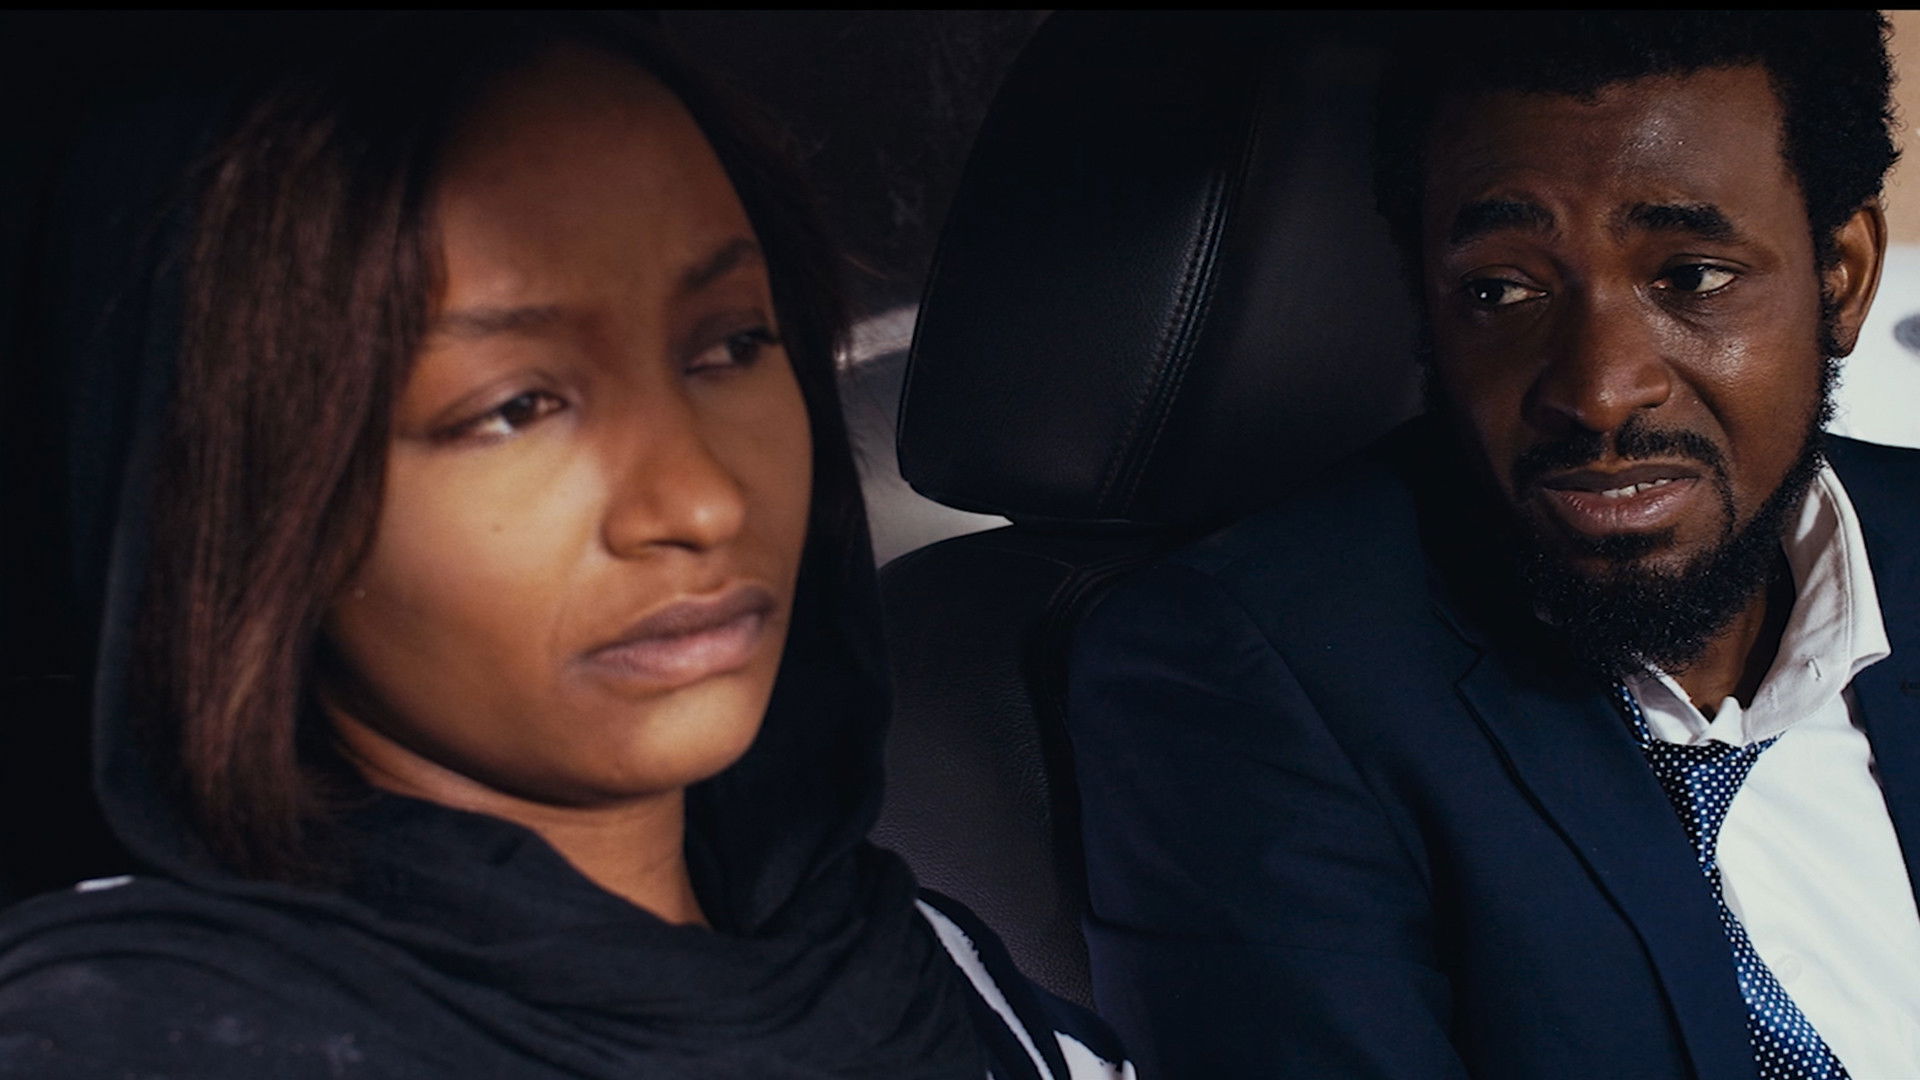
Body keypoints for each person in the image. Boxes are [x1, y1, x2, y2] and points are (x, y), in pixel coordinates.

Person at [0, 14, 1128, 1079]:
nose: (702, 502)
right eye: (513, 407)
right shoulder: (129, 1038)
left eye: (732, 344)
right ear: (248, 499)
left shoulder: (917, 963)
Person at [1068, 11, 1913, 1078]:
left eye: (1694, 276)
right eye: (1500, 292)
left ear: (1841, 274)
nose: (1599, 391)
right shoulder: (1246, 675)